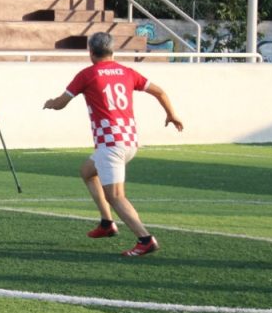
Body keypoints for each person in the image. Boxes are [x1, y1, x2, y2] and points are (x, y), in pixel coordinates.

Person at [43, 31, 183, 257]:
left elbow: (61, 103)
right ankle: (107, 223)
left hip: (111, 144)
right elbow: (159, 92)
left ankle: (145, 239)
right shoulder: (127, 72)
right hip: (128, 140)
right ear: (112, 51)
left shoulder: (87, 74)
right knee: (88, 172)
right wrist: (171, 114)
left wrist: (51, 103)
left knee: (116, 196)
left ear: (91, 52)